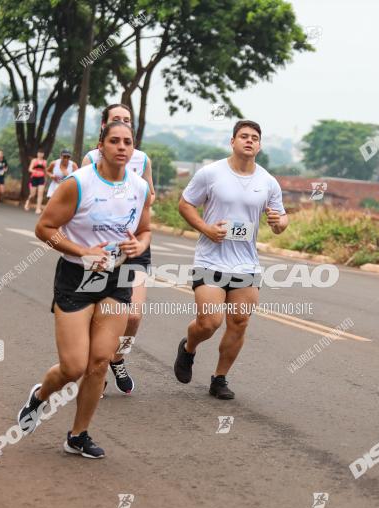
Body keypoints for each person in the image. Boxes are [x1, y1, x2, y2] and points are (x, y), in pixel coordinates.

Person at [16, 121, 151, 459]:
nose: (122, 147)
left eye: (128, 142)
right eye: (114, 141)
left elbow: (146, 229)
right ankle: (39, 397)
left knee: (99, 362)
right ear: (101, 145)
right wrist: (82, 251)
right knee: (74, 366)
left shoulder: (139, 186)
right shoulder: (78, 183)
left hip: (115, 278)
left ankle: (78, 435)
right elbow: (44, 227)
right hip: (77, 277)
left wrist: (139, 245)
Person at [174, 120, 288, 399]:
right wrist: (206, 229)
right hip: (210, 259)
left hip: (246, 263)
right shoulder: (210, 173)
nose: (249, 141)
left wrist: (278, 222)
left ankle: (219, 378)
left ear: (259, 145)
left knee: (239, 322)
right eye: (244, 136)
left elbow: (281, 220)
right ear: (233, 142)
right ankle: (188, 348)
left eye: (255, 138)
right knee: (209, 322)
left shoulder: (268, 182)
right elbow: (185, 203)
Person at [82, 103, 157, 394]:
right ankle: (97, 368)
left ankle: (118, 358)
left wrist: (140, 197)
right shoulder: (90, 158)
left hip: (134, 246)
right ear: (104, 126)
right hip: (101, 248)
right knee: (99, 315)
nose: (122, 124)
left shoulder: (142, 159)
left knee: (134, 315)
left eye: (127, 121)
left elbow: (150, 195)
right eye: (116, 120)